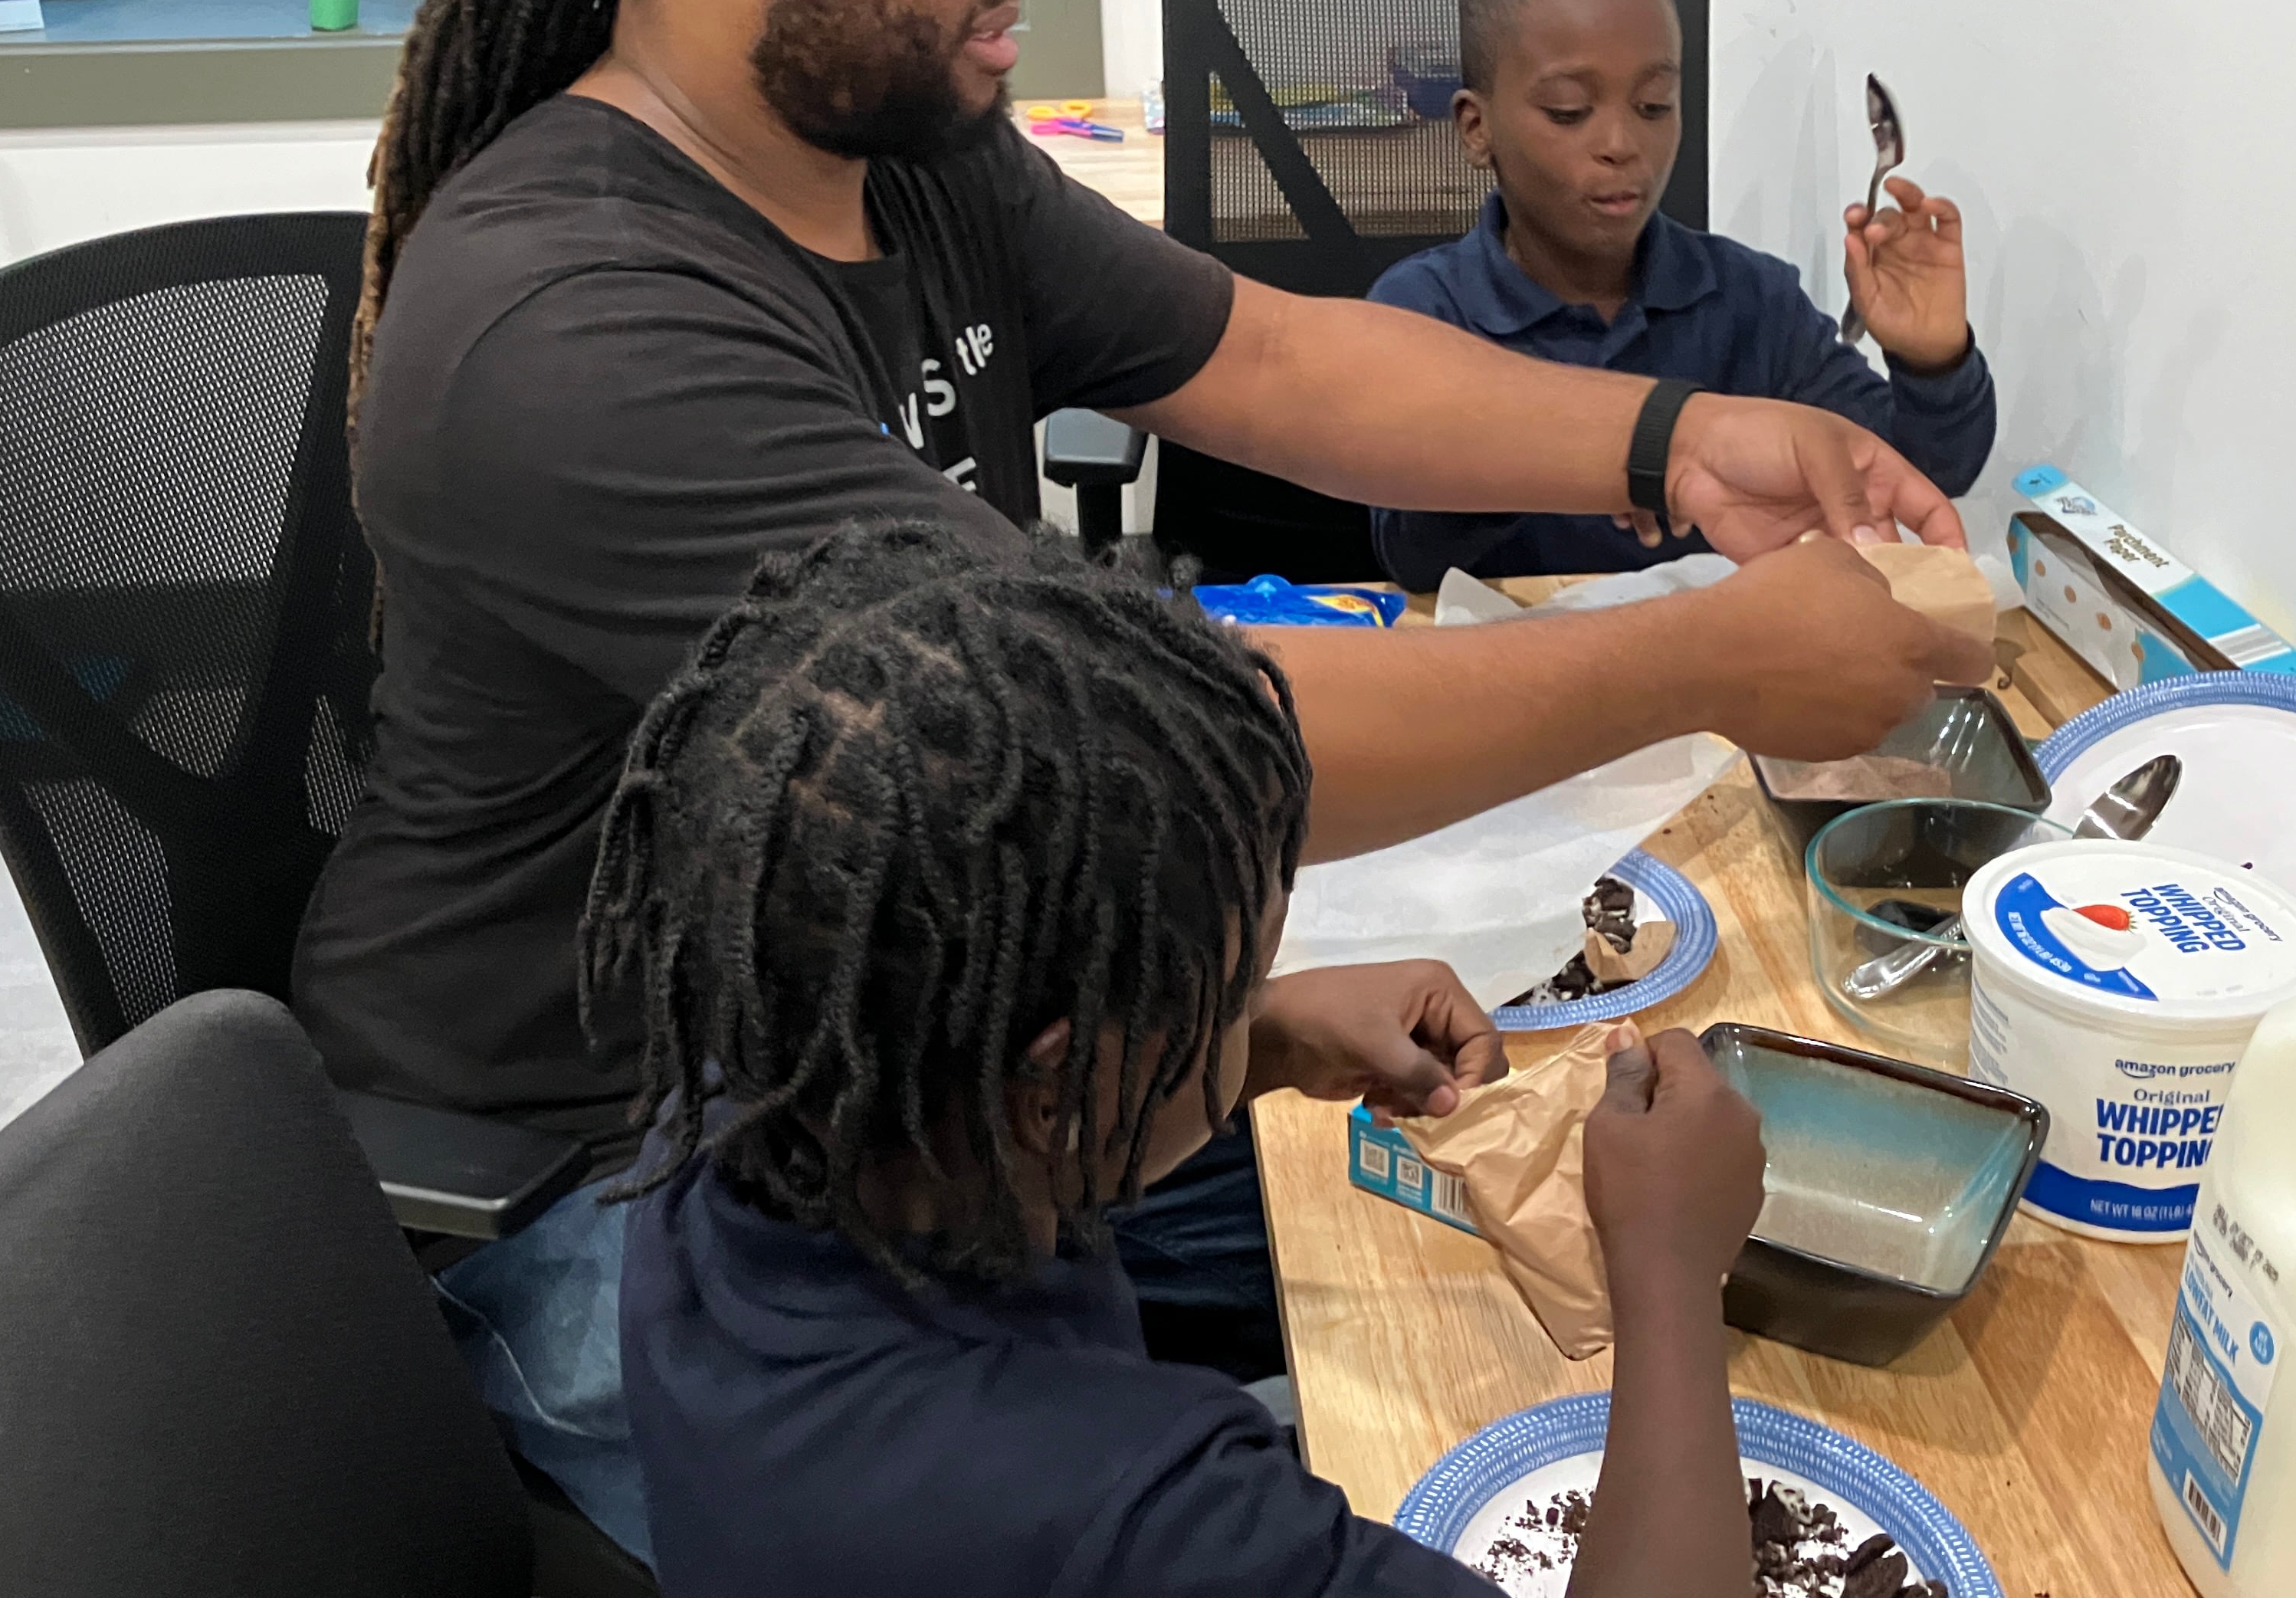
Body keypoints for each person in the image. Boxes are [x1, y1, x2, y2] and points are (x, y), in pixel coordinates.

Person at [288, 0, 1985, 1564]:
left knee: (1447, 1223)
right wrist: (1709, 662)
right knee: (1355, 1414)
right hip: (634, 1168)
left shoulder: (896, 146)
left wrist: (1670, 441)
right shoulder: (573, 332)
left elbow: (1266, 354)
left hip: (945, 1041)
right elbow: (1092, 766)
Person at [597, 523, 1771, 1598]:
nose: (1259, 991)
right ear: (1050, 1095)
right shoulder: (1144, 1519)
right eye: (1239, 975)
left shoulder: (770, 1087)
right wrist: (1667, 1271)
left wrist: (1258, 1041)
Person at [1365, 0, 1995, 588]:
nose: (1621, 142)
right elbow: (1412, 552)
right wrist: (1609, 446)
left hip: (1720, 662)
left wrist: (1932, 363)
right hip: (1511, 663)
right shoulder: (1423, 313)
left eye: (1653, 105)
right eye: (1569, 110)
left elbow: (1910, 476)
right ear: (1477, 127)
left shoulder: (1750, 302)